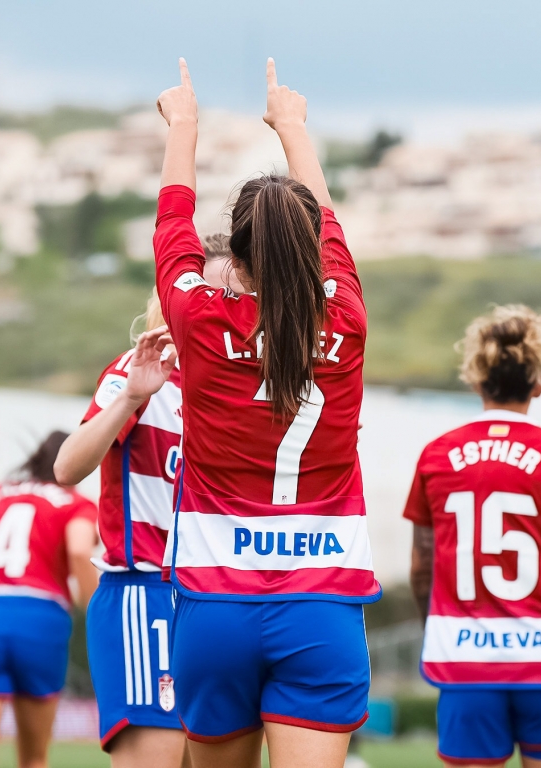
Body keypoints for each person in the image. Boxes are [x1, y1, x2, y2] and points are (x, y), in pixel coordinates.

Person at [153, 58, 380, 768]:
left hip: (214, 604)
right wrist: (293, 127)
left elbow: (173, 225)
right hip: (322, 606)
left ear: (239, 256)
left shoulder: (196, 314)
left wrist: (182, 126)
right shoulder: (346, 316)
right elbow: (330, 220)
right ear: (316, 250)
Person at [54, 237, 241, 768]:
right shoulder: (141, 371)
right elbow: (68, 467)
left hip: (215, 596)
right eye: (211, 291)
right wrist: (134, 396)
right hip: (146, 589)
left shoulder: (234, 385)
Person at [404, 305, 541, 768]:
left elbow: (422, 566)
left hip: (464, 659)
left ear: (475, 378)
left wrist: (435, 629)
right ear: (539, 382)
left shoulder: (436, 455)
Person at [0, 431, 98, 768]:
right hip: (40, 618)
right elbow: (79, 549)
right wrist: (93, 609)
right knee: (34, 757)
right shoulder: (76, 503)